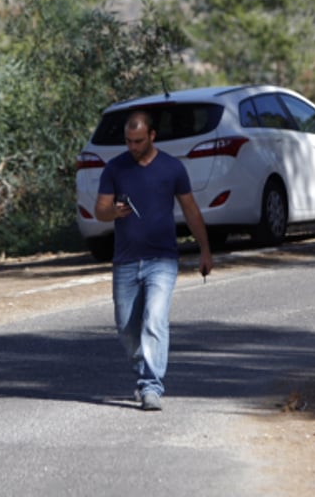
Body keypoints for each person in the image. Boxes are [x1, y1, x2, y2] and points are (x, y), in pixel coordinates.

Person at [94, 110, 212, 411]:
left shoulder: (172, 168)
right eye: (128, 141)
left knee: (154, 320)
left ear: (152, 136)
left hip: (162, 259)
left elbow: (191, 210)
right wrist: (114, 213)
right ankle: (144, 373)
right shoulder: (115, 169)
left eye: (138, 141)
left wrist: (205, 250)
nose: (132, 146)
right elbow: (100, 210)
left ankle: (151, 386)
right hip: (126, 261)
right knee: (126, 327)